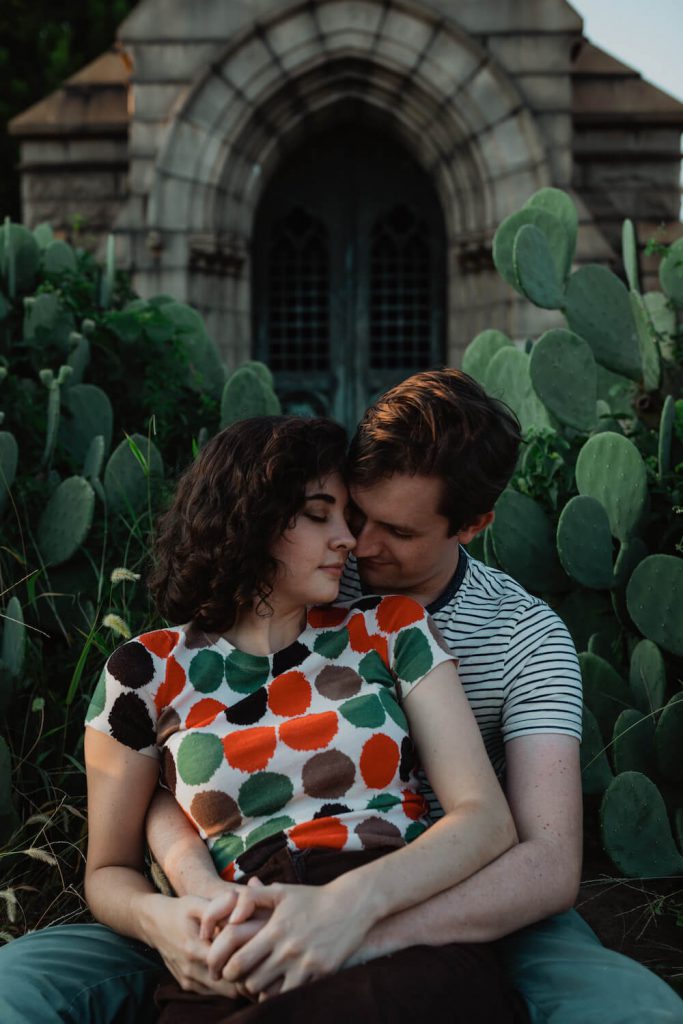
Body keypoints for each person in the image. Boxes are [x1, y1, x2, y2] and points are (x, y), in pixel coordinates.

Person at [1, 371, 681, 1023]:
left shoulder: (512, 636)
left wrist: (354, 925)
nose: (357, 543)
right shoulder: (300, 589)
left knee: (626, 1010)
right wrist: (191, 896)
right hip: (242, 897)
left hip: (461, 892)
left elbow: (542, 862)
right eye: (350, 511)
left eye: (398, 532)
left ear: (471, 525)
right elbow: (159, 768)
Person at [80, 414, 523, 1022]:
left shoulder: (389, 628)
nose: (348, 539)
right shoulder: (144, 671)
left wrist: (348, 905)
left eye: (347, 516)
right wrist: (163, 922)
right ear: (250, 518)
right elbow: (107, 868)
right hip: (237, 931)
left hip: (388, 905)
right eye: (320, 515)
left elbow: (486, 820)